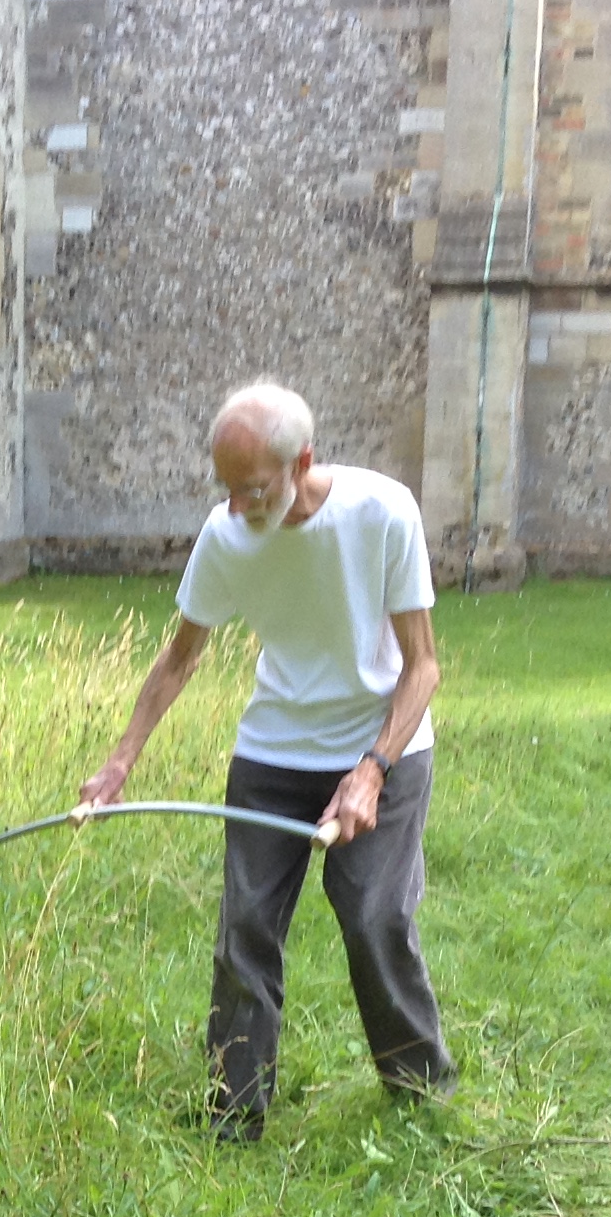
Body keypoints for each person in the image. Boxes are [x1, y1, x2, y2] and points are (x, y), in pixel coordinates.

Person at [78, 382, 456, 1140]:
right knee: (245, 927)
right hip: (274, 753)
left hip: (383, 744)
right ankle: (234, 1111)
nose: (237, 507)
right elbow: (180, 658)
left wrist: (371, 769)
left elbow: (423, 668)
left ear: (302, 463)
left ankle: (423, 1092)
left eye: (252, 490)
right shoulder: (227, 537)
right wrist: (119, 764)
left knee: (374, 916)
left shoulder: (382, 511)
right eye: (225, 489)